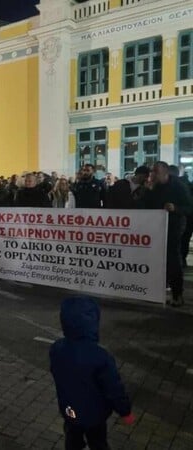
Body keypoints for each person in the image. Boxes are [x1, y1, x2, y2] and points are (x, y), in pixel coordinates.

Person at [50, 296, 134, 450]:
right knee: (98, 442)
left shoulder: (57, 348)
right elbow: (114, 389)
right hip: (95, 415)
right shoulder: (100, 357)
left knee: (72, 438)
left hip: (70, 410)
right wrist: (125, 411)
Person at [143, 161, 192, 307]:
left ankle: (177, 294)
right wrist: (147, 191)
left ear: (165, 172)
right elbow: (145, 206)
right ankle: (158, 290)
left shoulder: (178, 186)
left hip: (174, 226)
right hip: (156, 226)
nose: (152, 174)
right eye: (151, 171)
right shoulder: (154, 187)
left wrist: (175, 208)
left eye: (155, 172)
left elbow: (189, 207)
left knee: (172, 258)